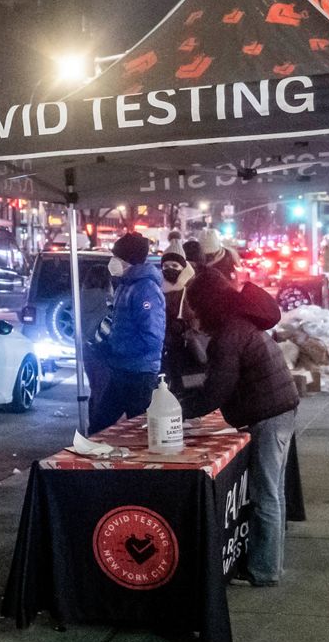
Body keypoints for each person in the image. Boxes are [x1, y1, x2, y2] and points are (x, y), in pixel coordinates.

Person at [182, 268, 299, 586]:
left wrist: (181, 413)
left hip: (270, 413)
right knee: (273, 492)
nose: (194, 313)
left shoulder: (230, 333)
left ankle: (264, 570)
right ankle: (270, 562)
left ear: (207, 303)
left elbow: (218, 389)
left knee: (266, 495)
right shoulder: (239, 323)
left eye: (195, 305)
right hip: (279, 408)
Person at [88, 232, 166, 434]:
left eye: (117, 258)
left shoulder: (145, 289)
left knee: (139, 431)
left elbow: (152, 337)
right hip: (121, 370)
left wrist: (118, 349)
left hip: (139, 373)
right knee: (99, 427)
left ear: (128, 260)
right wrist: (106, 345)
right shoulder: (125, 284)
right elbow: (119, 324)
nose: (113, 262)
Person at [159, 247, 200, 396]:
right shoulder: (158, 288)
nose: (169, 269)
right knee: (167, 388)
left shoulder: (192, 287)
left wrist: (186, 326)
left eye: (174, 266)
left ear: (183, 267)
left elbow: (201, 316)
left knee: (188, 387)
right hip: (164, 348)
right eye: (166, 266)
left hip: (187, 347)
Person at [79, 263, 114, 432]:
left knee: (95, 389)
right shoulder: (107, 300)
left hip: (88, 349)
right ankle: (99, 431)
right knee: (104, 393)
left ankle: (93, 429)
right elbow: (111, 324)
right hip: (104, 351)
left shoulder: (81, 299)